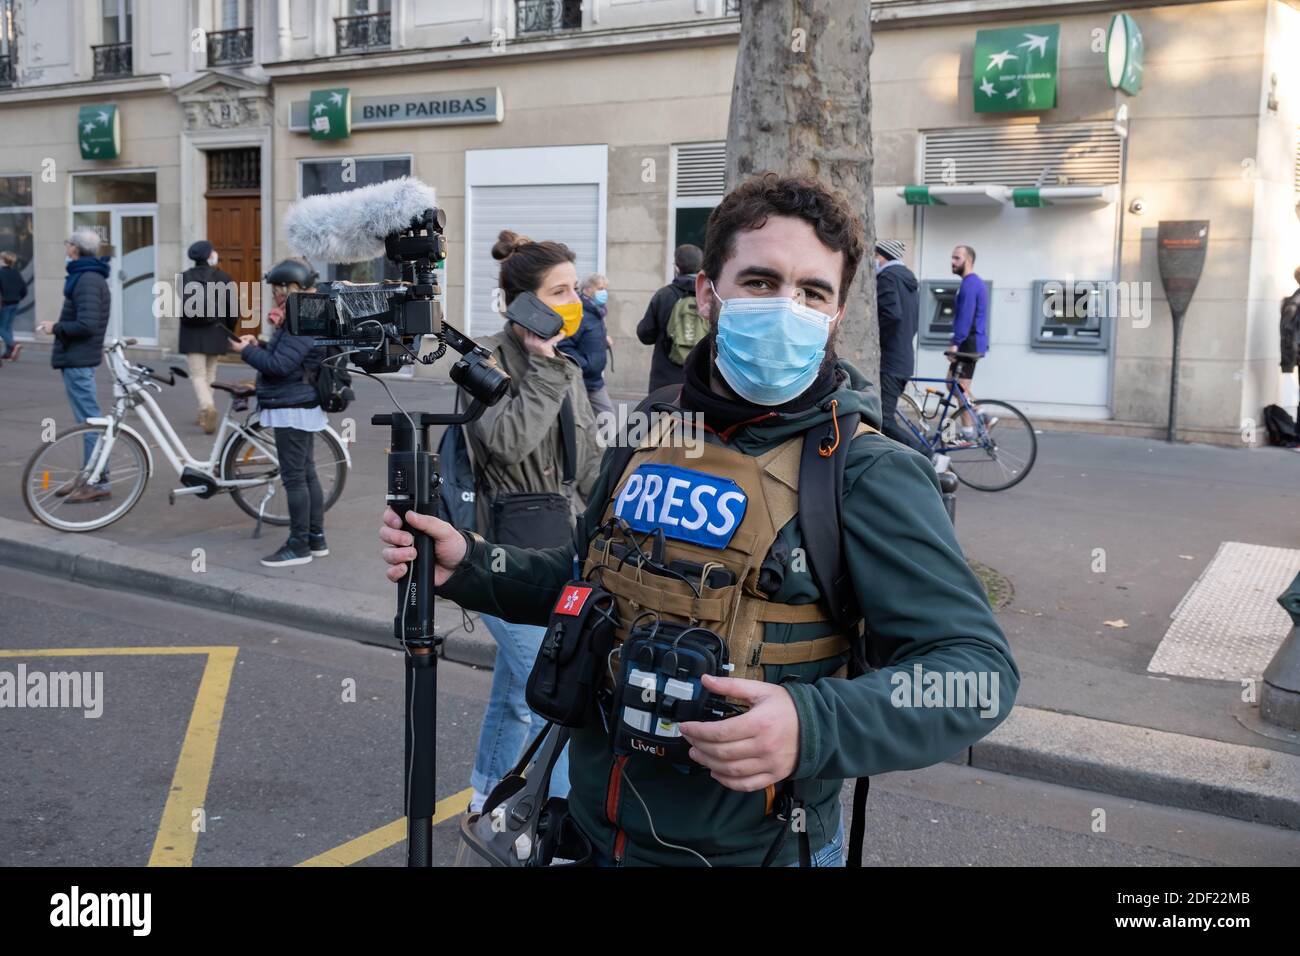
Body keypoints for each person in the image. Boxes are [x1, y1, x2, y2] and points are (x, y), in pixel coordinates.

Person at [380, 174, 1018, 867]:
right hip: (592, 837)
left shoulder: (866, 471)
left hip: (759, 852)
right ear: (708, 293)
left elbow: (976, 674)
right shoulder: (654, 427)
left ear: (835, 314)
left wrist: (813, 725)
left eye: (812, 292)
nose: (786, 307)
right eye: (761, 281)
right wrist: (471, 565)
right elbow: (584, 582)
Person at [458, 229, 601, 814]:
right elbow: (509, 441)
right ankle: (561, 818)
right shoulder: (480, 362)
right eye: (560, 290)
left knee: (517, 688)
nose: (575, 301)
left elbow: (587, 461)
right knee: (557, 685)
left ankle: (485, 791)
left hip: (563, 546)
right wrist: (542, 368)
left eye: (575, 287)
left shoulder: (565, 367)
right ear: (524, 302)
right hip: (502, 550)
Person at [230, 259, 329, 568]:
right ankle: (315, 538)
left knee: (295, 478)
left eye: (278, 288)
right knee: (306, 472)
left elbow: (279, 366)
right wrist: (256, 342)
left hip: (292, 406)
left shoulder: (305, 317)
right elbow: (283, 355)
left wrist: (243, 352)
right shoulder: (303, 313)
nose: (275, 294)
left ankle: (299, 545)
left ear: (293, 287)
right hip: (297, 403)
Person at [36, 231, 112, 503]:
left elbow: (87, 325)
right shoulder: (86, 276)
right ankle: (89, 476)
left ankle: (96, 480)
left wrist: (54, 327)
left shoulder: (87, 280)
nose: (65, 247)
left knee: (90, 422)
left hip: (79, 358)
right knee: (88, 420)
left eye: (67, 244)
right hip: (78, 357)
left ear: (76, 250)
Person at [873, 239, 936, 461]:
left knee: (884, 420)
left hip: (890, 359)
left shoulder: (888, 278)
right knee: (883, 417)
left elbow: (891, 315)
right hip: (903, 358)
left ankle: (925, 455)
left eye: (875, 256)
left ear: (881, 256)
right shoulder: (907, 280)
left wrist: (877, 344)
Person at [179, 240, 238, 434]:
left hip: (192, 333)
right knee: (210, 373)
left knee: (198, 375)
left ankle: (206, 408)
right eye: (213, 251)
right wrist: (229, 329)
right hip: (216, 330)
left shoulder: (184, 277)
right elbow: (232, 309)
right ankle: (206, 408)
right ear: (208, 255)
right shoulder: (223, 277)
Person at [636, 243, 704, 392]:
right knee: (695, 415)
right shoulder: (709, 296)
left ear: (677, 268)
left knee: (662, 415)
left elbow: (645, 335)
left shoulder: (664, 295)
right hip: (699, 381)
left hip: (665, 381)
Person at [947, 244, 991, 438]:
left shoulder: (970, 284)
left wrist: (956, 342)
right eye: (952, 258)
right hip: (971, 341)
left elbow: (965, 316)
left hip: (968, 343)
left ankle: (980, 417)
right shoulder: (972, 283)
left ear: (969, 260)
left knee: (957, 385)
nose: (952, 262)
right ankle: (968, 428)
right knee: (954, 384)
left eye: (957, 258)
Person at [559, 273, 615, 421]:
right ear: (588, 289)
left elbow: (589, 336)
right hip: (580, 380)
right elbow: (565, 346)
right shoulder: (580, 313)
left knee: (608, 420)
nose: (604, 292)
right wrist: (585, 365)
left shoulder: (597, 311)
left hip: (595, 380)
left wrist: (604, 339)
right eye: (600, 288)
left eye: (605, 288)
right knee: (582, 424)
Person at [0, 250, 28, 361]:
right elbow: (24, 290)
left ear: (3, 260)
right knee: (8, 327)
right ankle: (8, 353)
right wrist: (17, 298)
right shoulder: (16, 273)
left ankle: (13, 345)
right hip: (15, 303)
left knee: (1, 328)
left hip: (4, 304)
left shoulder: (1, 273)